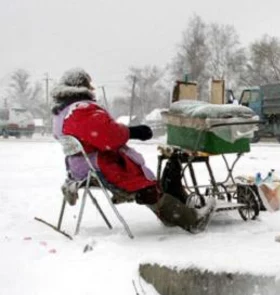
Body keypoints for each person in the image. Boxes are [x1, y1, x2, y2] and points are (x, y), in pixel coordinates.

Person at [52, 68, 215, 233]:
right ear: (83, 85)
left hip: (80, 167)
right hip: (101, 166)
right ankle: (190, 219)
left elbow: (100, 133)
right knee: (147, 187)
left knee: (147, 182)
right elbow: (109, 136)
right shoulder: (81, 109)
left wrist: (128, 132)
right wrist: (134, 132)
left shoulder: (63, 112)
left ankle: (176, 211)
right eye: (89, 84)